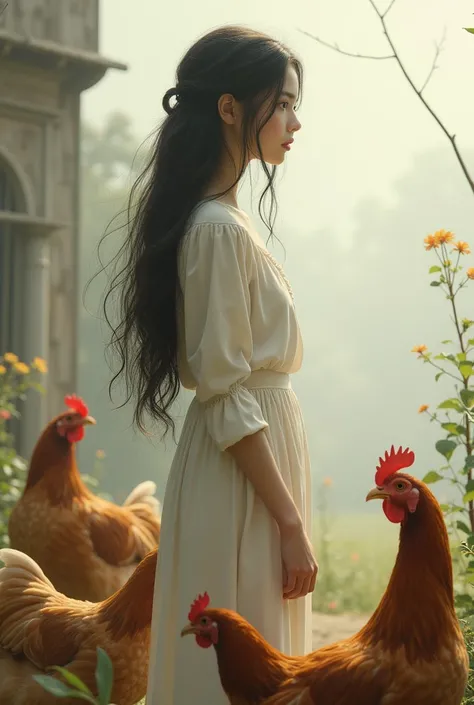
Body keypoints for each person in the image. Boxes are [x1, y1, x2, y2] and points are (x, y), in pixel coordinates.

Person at [104, 24, 318, 705]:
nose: (295, 121)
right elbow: (225, 389)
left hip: (248, 461)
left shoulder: (226, 221)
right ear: (230, 108)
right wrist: (288, 521)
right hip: (244, 473)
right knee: (244, 653)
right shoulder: (219, 230)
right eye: (281, 103)